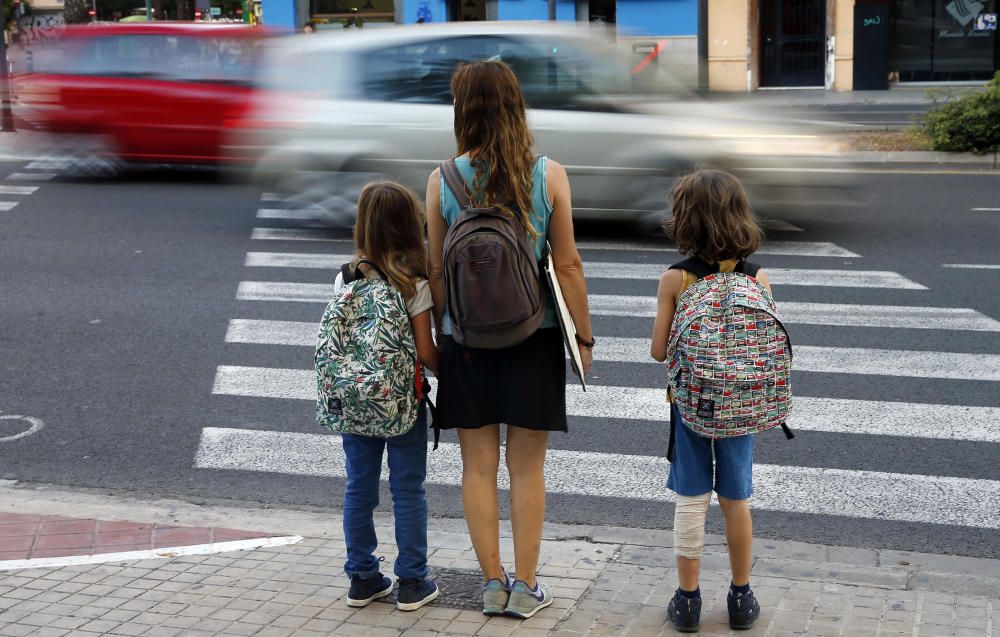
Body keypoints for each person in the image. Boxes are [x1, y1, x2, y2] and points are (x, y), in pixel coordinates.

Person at [425, 60, 593, 619]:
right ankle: (526, 586)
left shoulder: (442, 179)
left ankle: (491, 583)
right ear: (516, 106)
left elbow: (434, 272)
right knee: (526, 466)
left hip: (467, 342)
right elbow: (567, 265)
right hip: (534, 335)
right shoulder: (548, 175)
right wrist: (584, 340)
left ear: (461, 111)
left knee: (476, 466)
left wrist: (447, 339)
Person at [650, 169, 771, 633]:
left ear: (685, 221)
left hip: (692, 408)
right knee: (736, 498)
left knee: (691, 497)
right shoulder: (759, 278)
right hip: (742, 408)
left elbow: (660, 350)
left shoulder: (675, 278)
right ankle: (741, 597)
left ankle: (688, 601)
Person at [335, 181, 440, 612]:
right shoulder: (414, 280)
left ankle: (362, 578)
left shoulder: (345, 275)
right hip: (401, 402)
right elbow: (426, 351)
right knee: (407, 489)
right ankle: (413, 581)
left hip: (356, 401)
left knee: (359, 487)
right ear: (409, 224)